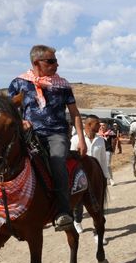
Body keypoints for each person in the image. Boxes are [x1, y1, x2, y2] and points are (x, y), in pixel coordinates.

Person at [8, 44, 87, 232]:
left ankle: (63, 212)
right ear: (36, 62)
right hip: (28, 134)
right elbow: (9, 110)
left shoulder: (63, 85)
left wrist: (81, 138)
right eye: (51, 61)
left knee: (57, 162)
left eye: (56, 61)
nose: (56, 65)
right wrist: (20, 122)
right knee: (5, 159)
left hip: (56, 134)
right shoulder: (18, 83)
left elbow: (75, 113)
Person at [70, 115, 109, 243]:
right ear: (89, 125)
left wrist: (105, 177)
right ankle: (77, 220)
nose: (100, 126)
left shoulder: (101, 140)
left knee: (97, 206)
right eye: (97, 124)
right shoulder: (76, 139)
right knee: (78, 204)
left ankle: (97, 232)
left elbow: (103, 160)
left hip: (96, 178)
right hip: (80, 178)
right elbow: (71, 162)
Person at [98, 122, 116, 186]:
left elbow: (114, 141)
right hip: (100, 150)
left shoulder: (111, 133)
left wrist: (113, 149)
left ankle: (111, 179)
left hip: (108, 150)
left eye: (103, 125)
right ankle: (104, 179)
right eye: (100, 125)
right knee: (100, 165)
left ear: (106, 126)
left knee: (107, 165)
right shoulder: (97, 134)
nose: (102, 127)